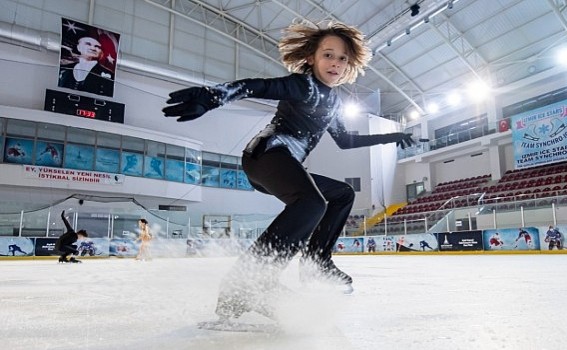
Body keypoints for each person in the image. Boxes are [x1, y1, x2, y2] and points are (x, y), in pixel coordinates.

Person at [163, 21, 415, 321]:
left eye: (342, 58)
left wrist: (393, 136)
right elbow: (257, 85)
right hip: (266, 155)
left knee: (341, 195)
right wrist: (212, 96)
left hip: (283, 165)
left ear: (350, 65)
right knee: (312, 203)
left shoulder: (333, 101)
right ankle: (247, 283)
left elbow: (346, 141)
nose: (335, 63)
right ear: (311, 58)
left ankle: (315, 263)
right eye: (328, 55)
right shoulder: (303, 85)